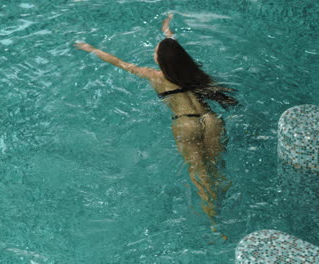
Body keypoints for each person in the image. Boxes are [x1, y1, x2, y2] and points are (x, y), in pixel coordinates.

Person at [74, 14, 238, 239]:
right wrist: (167, 30)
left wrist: (90, 48)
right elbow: (175, 49)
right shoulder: (191, 72)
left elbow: (120, 62)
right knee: (216, 168)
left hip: (186, 123)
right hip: (211, 120)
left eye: (156, 51)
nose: (153, 52)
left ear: (162, 61)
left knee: (199, 173)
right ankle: (226, 206)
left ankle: (214, 224)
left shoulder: (156, 76)